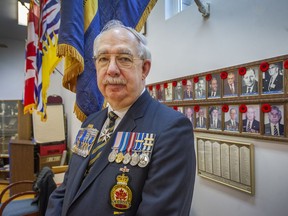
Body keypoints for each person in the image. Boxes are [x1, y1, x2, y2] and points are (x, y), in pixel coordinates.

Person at [46, 20, 196, 216]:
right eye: (103, 59)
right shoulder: (91, 122)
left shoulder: (171, 129)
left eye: (124, 58)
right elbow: (65, 190)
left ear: (144, 69)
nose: (111, 69)